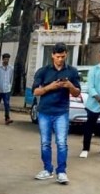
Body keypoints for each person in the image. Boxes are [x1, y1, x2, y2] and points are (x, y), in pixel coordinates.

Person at [32, 43, 81, 184]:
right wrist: (50, 87)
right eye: (58, 56)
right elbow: (35, 91)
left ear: (66, 55)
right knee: (45, 142)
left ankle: (61, 171)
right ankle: (47, 169)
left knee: (61, 143)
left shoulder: (71, 71)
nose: (60, 59)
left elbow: (77, 93)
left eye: (63, 56)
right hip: (45, 111)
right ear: (52, 55)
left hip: (62, 112)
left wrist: (70, 85)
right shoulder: (43, 71)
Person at [0, 53, 14, 124]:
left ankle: (7, 118)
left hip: (7, 89)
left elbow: (11, 78)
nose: (6, 60)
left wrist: (10, 86)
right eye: (5, 59)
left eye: (7, 59)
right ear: (3, 59)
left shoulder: (11, 68)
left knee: (7, 104)